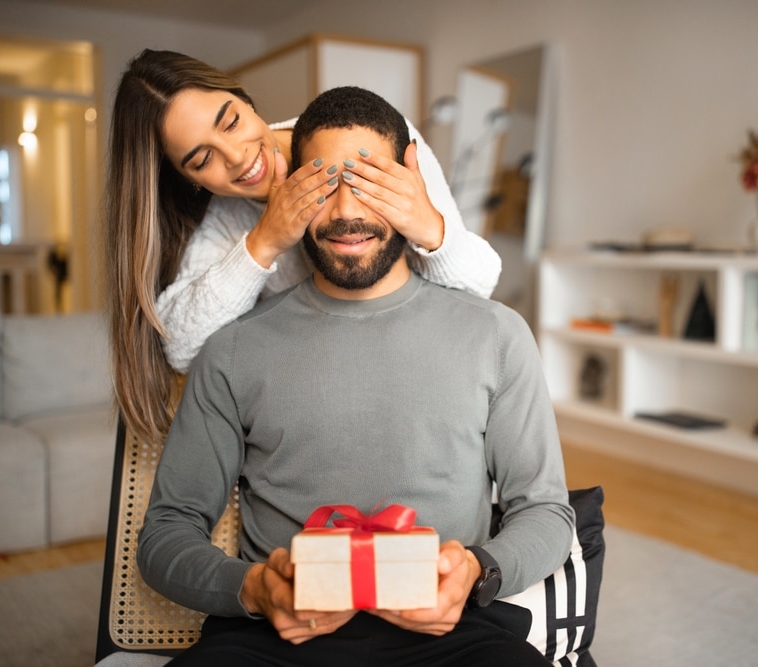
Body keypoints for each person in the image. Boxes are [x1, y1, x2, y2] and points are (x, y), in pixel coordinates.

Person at [137, 85, 574, 666]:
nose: (346, 211)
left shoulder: (497, 335)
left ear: (408, 180)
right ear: (290, 193)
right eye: (321, 185)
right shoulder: (231, 351)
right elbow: (166, 533)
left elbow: (545, 511)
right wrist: (251, 588)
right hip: (272, 640)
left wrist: (477, 571)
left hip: (454, 634)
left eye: (366, 181)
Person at [103, 49, 502, 445]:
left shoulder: (374, 139)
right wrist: (265, 242)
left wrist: (428, 226)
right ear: (185, 177)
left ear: (244, 99)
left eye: (231, 122)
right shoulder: (229, 216)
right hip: (326, 402)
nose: (238, 157)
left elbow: (476, 291)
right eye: (203, 159)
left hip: (419, 380)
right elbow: (182, 347)